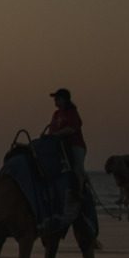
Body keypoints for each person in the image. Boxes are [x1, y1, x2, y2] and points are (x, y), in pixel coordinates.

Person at [45, 89, 88, 217]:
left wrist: (56, 134)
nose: (55, 101)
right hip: (59, 146)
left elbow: (72, 128)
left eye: (57, 98)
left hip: (75, 145)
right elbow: (51, 129)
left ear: (64, 99)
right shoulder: (56, 114)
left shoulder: (71, 112)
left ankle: (79, 191)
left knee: (77, 167)